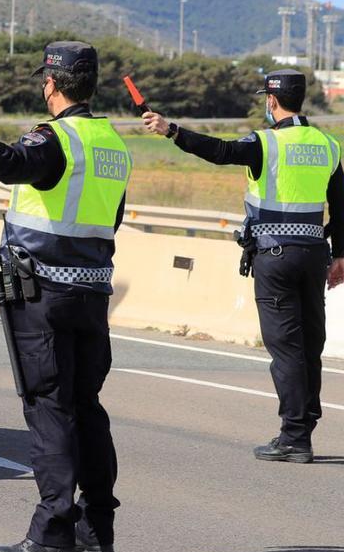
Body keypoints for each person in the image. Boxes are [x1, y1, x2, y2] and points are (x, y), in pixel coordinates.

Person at [0, 41, 129, 552]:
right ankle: (95, 532)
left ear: (52, 84)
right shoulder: (112, 143)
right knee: (86, 409)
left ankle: (53, 534)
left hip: (45, 295)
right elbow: (113, 217)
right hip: (93, 293)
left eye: (45, 80)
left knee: (49, 408)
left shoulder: (54, 137)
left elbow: (11, 165)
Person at [142, 69, 344, 463]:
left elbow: (219, 151)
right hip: (314, 255)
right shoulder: (328, 145)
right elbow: (343, 206)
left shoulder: (265, 143)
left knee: (285, 347)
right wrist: (340, 254)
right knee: (309, 345)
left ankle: (294, 436)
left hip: (275, 258)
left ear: (271, 101)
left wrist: (171, 130)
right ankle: (304, 424)